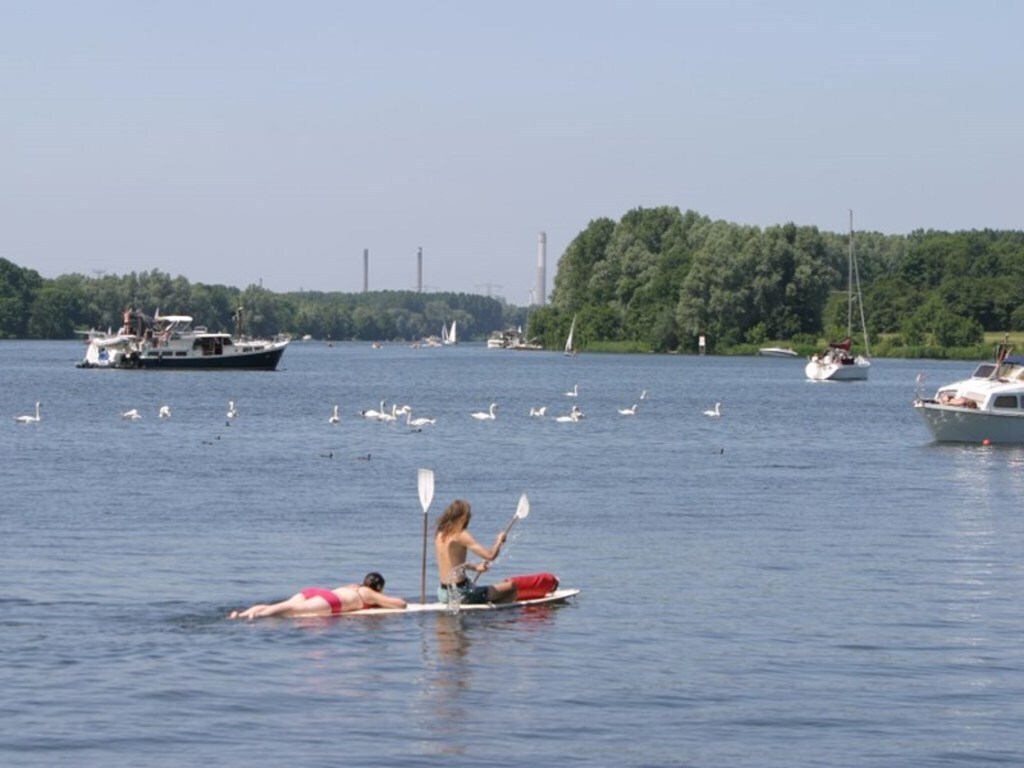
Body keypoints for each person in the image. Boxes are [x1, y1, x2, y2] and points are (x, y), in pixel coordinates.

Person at [434, 499, 517, 604]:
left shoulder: (439, 534)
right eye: (468, 515)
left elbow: (455, 566)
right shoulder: (460, 534)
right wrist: (499, 542)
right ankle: (497, 611)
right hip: (460, 593)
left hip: (443, 592)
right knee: (511, 587)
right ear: (463, 517)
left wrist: (476, 567)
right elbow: (490, 556)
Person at [228, 572, 406, 619]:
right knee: (291, 609)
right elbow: (400, 604)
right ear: (378, 587)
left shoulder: (354, 586)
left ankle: (242, 614)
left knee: (285, 605)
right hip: (332, 601)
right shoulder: (369, 593)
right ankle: (257, 616)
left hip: (318, 592)